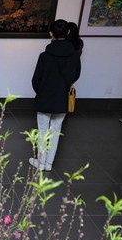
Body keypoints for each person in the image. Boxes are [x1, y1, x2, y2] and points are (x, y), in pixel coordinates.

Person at [29, 19, 82, 172]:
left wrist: (42, 91)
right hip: (62, 97)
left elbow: (36, 80)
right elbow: (76, 75)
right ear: (67, 33)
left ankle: (40, 162)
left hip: (45, 97)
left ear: (51, 33)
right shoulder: (74, 56)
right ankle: (49, 164)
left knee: (42, 130)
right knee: (56, 130)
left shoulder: (44, 56)